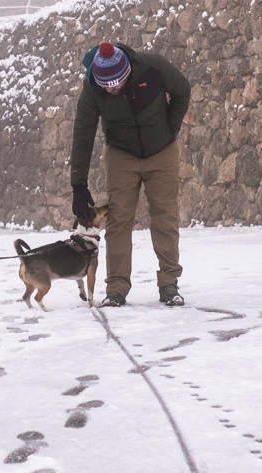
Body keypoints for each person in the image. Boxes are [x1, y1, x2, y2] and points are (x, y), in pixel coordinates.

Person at [69, 40, 191, 307]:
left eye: (116, 83)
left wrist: (170, 129)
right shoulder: (92, 88)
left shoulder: (152, 67)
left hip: (162, 151)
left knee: (165, 217)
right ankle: (116, 289)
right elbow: (83, 133)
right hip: (121, 154)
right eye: (106, 85)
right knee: (118, 220)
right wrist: (78, 184)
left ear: (126, 73)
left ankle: (169, 284)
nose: (111, 89)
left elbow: (182, 91)